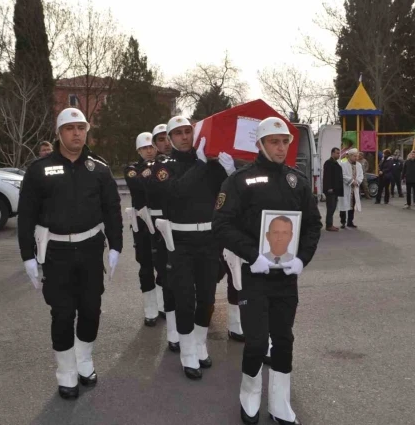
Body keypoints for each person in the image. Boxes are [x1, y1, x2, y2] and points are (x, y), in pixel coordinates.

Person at [213, 116, 321, 425]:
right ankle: (249, 396)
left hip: (286, 276)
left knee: (283, 340)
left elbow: (312, 225)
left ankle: (280, 403)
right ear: (259, 144)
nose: (281, 147)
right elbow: (221, 224)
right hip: (255, 274)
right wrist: (251, 255)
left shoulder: (297, 181)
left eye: (285, 141)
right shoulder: (239, 180)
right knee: (258, 342)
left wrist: (301, 259)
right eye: (274, 141)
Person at [17, 108, 123, 399]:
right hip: (56, 252)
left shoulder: (99, 170)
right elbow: (26, 215)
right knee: (62, 314)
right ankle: (66, 372)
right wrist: (27, 255)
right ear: (59, 133)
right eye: (69, 128)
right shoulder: (39, 170)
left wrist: (116, 245)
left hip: (90, 250)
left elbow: (112, 210)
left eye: (81, 127)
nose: (76, 133)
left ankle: (84, 360)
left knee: (91, 310)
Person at [146, 116, 232, 380]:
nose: (185, 136)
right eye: (179, 133)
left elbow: (228, 196)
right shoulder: (162, 166)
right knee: (184, 298)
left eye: (188, 131)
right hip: (180, 242)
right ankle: (187, 353)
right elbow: (176, 192)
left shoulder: (211, 162)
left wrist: (232, 174)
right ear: (169, 139)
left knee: (206, 298)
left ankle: (199, 344)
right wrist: (201, 165)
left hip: (208, 240)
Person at [144, 123, 180, 351]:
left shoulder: (188, 162)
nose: (165, 143)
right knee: (163, 270)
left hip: (184, 226)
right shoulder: (154, 168)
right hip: (159, 224)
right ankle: (163, 310)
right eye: (160, 140)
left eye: (167, 138)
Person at [124, 132, 161, 327]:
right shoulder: (131, 169)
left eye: (151, 146)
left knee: (164, 264)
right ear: (139, 150)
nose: (149, 150)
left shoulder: (163, 165)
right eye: (145, 147)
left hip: (161, 221)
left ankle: (163, 304)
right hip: (142, 225)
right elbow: (136, 183)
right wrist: (148, 175)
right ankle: (150, 308)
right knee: (145, 265)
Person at [339, 148, 363, 228]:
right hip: (346, 187)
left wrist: (358, 181)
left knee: (352, 205)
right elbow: (342, 175)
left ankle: (350, 221)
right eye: (355, 156)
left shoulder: (359, 165)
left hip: (354, 188)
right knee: (344, 204)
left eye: (357, 156)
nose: (356, 158)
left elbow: (361, 175)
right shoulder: (343, 164)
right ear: (350, 156)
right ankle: (343, 222)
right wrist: (352, 181)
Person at [322, 147, 343, 231]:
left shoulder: (336, 163)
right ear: (332, 153)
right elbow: (327, 177)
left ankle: (330, 224)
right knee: (331, 207)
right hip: (330, 190)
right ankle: (329, 225)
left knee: (333, 207)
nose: (339, 154)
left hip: (335, 189)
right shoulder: (328, 163)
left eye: (339, 153)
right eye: (337, 153)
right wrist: (329, 188)